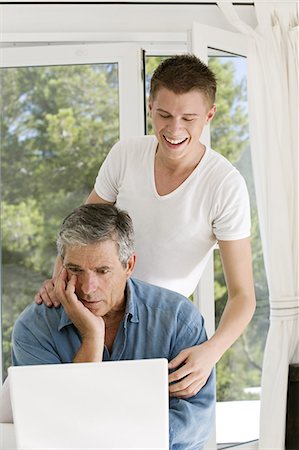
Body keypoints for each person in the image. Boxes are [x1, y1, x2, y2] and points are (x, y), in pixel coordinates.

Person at [35, 54, 256, 398]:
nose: (174, 129)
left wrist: (211, 352)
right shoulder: (125, 154)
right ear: (150, 106)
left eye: (189, 118)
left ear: (209, 116)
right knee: (66, 407)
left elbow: (243, 296)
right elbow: (81, 229)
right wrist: (59, 281)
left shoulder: (225, 184)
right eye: (164, 115)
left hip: (159, 327)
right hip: (98, 303)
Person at [12, 203, 215, 450]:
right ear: (62, 268)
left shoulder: (178, 319)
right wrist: (92, 338)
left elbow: (196, 420)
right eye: (76, 270)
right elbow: (52, 427)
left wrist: (117, 436)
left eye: (102, 271)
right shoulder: (35, 328)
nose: (87, 287)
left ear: (128, 265)